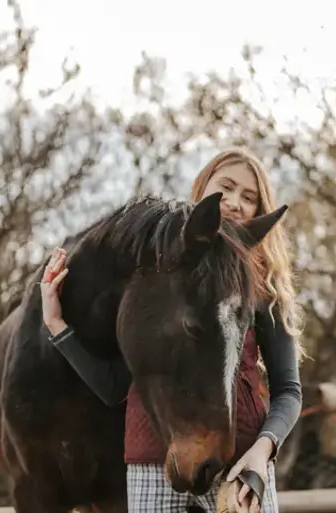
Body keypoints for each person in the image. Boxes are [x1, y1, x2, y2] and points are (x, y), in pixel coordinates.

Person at [39, 147, 305, 513]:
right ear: (203, 188)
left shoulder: (266, 288)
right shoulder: (152, 278)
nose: (235, 202)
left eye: (249, 197)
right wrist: (57, 325)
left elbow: (288, 391)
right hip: (150, 466)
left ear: (260, 211)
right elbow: (117, 388)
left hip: (241, 468)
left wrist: (262, 454)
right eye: (225, 187)